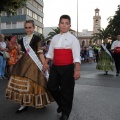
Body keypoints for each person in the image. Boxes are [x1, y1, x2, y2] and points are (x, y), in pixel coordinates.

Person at [5, 20, 53, 113]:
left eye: (30, 27)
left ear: (34, 28)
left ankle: (40, 101)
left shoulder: (37, 39)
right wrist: (17, 63)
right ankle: (23, 104)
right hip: (23, 63)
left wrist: (44, 64)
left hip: (34, 64)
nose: (28, 29)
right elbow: (22, 53)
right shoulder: (22, 40)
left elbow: (40, 53)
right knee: (23, 84)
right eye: (26, 27)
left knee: (37, 82)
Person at [43, 15, 81, 120]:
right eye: (62, 23)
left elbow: (77, 56)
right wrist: (46, 63)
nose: (64, 25)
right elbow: (50, 53)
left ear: (70, 25)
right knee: (51, 86)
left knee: (67, 91)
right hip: (55, 67)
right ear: (59, 25)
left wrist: (77, 70)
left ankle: (65, 113)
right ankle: (61, 104)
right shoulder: (54, 38)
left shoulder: (73, 39)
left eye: (66, 23)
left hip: (68, 67)